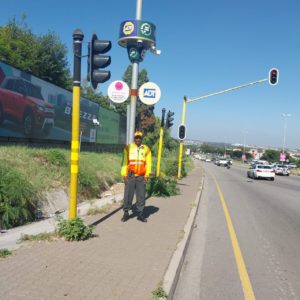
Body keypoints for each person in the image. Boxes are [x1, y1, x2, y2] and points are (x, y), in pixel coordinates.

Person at [121, 131, 152, 222]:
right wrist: (124, 175)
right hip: (130, 175)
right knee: (128, 195)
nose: (138, 139)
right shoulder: (128, 148)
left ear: (142, 138)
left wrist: (147, 175)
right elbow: (124, 163)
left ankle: (140, 214)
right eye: (136, 137)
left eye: (139, 138)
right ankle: (126, 213)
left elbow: (148, 164)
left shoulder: (146, 149)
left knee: (141, 196)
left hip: (141, 177)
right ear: (134, 138)